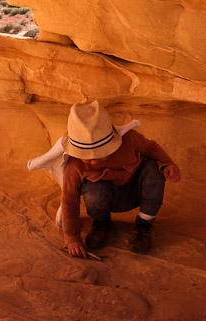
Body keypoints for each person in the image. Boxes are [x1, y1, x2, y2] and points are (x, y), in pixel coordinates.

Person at [61, 100, 180, 257]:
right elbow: (69, 200)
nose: (93, 160)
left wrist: (168, 164)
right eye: (87, 157)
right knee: (93, 190)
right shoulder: (75, 165)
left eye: (100, 153)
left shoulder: (129, 139)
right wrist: (72, 238)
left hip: (137, 190)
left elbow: (151, 148)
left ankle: (144, 225)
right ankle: (102, 223)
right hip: (106, 199)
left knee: (153, 169)